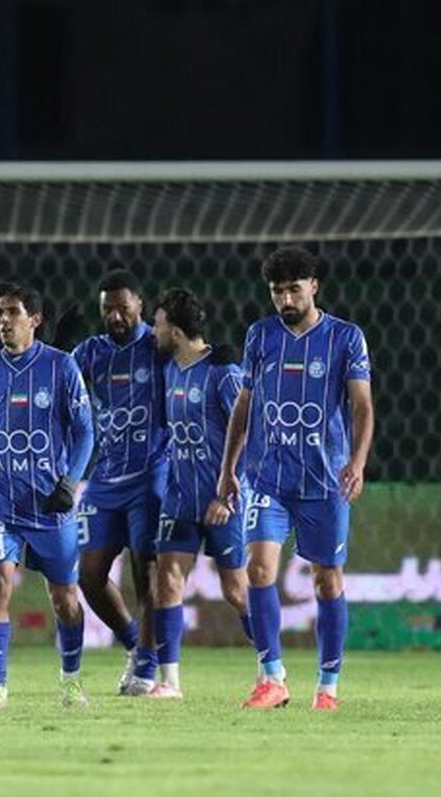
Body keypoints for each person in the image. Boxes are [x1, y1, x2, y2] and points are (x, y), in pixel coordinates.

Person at [209, 246, 374, 711]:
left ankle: (328, 686)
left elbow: (362, 405)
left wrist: (358, 462)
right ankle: (271, 678)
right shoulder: (260, 335)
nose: (285, 299)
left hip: (324, 481)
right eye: (277, 291)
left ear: (313, 287)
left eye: (294, 290)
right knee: (258, 569)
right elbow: (244, 404)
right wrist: (228, 469)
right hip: (267, 477)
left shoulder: (345, 337)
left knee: (327, 581)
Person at [0, 281, 95, 709]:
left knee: (65, 599)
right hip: (0, 501)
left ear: (35, 319)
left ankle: (71, 681)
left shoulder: (61, 367)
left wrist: (70, 483)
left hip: (48, 502)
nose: (4, 320)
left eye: (13, 312)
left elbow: (85, 432)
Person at [62, 271, 167, 696]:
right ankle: (135, 645)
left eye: (123, 308)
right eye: (108, 309)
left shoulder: (158, 346)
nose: (116, 316)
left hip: (151, 473)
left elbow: (192, 356)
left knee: (147, 571)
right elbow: (57, 383)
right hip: (105, 478)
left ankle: (146, 666)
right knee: (88, 575)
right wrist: (58, 347)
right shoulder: (91, 352)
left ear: (140, 305)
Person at [146, 288, 252, 699]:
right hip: (179, 497)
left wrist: (226, 496)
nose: (152, 332)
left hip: (222, 500)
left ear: (174, 330)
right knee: (167, 580)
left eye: (157, 324)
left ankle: (271, 668)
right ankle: (170, 683)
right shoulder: (169, 370)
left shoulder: (222, 373)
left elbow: (248, 432)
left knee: (236, 590)